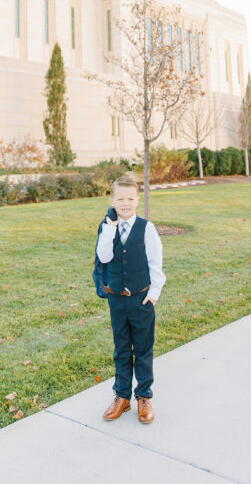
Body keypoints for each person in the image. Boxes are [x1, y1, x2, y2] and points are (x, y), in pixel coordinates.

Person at [93, 174, 166, 422]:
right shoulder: (106, 227)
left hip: (141, 299)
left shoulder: (147, 228)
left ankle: (143, 396)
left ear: (137, 200)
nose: (125, 203)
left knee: (143, 349)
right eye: (120, 199)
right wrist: (110, 229)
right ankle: (121, 395)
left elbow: (156, 263)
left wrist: (153, 296)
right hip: (117, 301)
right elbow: (103, 258)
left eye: (130, 199)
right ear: (112, 200)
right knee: (121, 349)